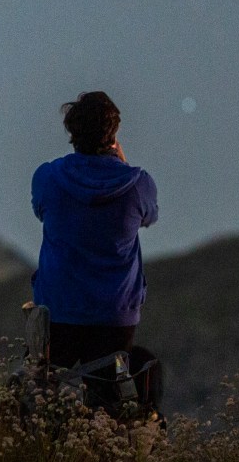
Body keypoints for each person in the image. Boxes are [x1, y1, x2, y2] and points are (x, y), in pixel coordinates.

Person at [30, 91, 159, 382]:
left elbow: (41, 211)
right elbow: (149, 217)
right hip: (115, 315)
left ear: (72, 133)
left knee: (45, 390)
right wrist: (122, 166)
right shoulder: (138, 184)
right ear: (114, 134)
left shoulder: (48, 178)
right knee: (109, 396)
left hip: (57, 308)